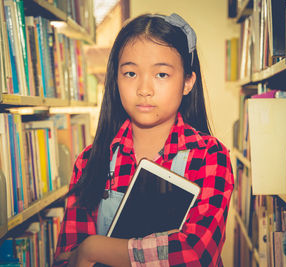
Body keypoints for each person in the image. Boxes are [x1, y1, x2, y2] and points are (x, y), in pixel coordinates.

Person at [53, 13, 234, 267]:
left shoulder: (209, 156)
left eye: (161, 74)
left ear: (188, 82)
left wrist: (94, 248)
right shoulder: (90, 161)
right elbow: (66, 257)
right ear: (115, 80)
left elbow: (196, 254)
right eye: (130, 73)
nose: (144, 89)